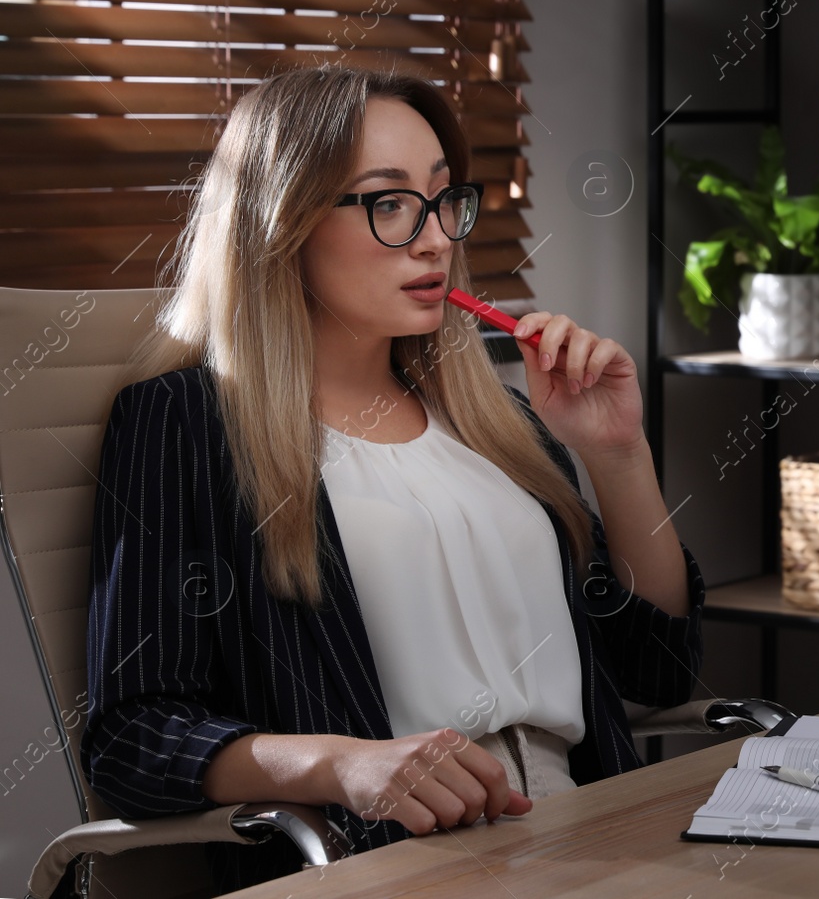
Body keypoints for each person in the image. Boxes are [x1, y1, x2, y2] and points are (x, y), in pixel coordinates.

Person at [81, 66, 704, 893]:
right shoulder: (185, 422)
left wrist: (618, 456)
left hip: (595, 831)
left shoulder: (496, 422)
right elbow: (132, 735)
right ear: (282, 222)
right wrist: (344, 765)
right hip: (387, 860)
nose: (435, 239)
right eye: (388, 202)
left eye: (444, 200)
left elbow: (659, 672)